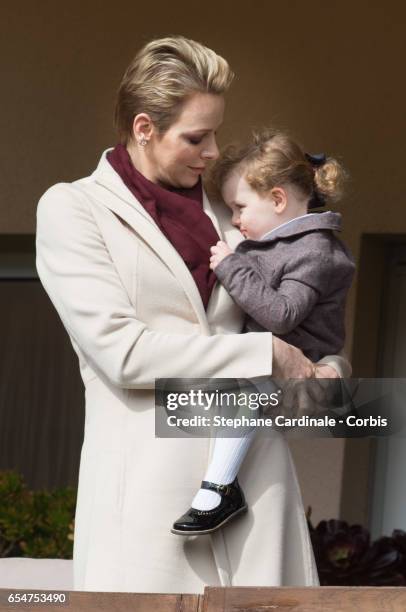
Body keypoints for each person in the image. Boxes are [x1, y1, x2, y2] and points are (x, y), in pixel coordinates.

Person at [36, 36, 350, 593]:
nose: (212, 152)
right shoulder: (72, 209)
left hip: (258, 497)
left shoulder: (239, 217)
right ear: (143, 128)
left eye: (216, 134)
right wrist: (264, 354)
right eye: (195, 138)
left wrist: (331, 376)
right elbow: (123, 352)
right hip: (147, 510)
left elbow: (301, 325)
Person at [172, 130, 355, 536]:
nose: (235, 220)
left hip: (299, 361)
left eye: (239, 208)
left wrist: (231, 266)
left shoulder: (315, 251)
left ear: (277, 200)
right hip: (272, 360)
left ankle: (218, 489)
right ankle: (218, 488)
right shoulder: (279, 239)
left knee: (245, 389)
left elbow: (281, 314)